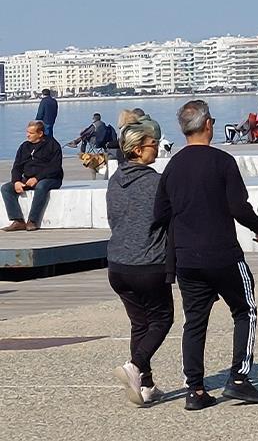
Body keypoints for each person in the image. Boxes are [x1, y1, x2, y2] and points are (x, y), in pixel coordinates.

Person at [152, 100, 258, 410]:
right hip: (222, 253)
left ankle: (195, 390)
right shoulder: (222, 161)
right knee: (245, 309)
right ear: (207, 125)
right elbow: (238, 207)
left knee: (194, 321)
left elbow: (161, 212)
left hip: (186, 258)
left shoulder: (173, 166)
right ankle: (239, 379)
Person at [106, 115, 171, 407]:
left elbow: (113, 219)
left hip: (117, 264)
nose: (156, 148)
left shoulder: (114, 181)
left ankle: (145, 385)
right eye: (151, 144)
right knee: (162, 319)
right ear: (137, 150)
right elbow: (168, 219)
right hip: (148, 263)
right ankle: (134, 366)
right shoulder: (157, 183)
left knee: (139, 324)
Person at [2, 121, 64, 231]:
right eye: (27, 132)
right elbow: (17, 166)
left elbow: (55, 167)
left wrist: (37, 178)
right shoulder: (24, 147)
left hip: (50, 178)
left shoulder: (52, 145)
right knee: (6, 188)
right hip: (28, 178)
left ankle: (32, 221)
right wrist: (16, 181)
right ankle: (18, 220)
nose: (27, 135)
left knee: (41, 186)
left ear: (40, 133)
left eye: (31, 133)